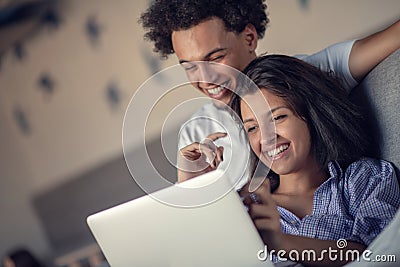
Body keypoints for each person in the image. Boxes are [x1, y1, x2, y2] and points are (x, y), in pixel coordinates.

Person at [139, 0, 400, 188]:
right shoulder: (196, 131)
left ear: (250, 38)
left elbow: (391, 38)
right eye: (191, 67)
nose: (205, 79)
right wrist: (189, 188)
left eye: (216, 57)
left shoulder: (305, 77)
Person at [228, 54, 400, 266]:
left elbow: (378, 255)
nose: (265, 138)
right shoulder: (242, 209)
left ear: (312, 114)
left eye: (277, 117)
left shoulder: (364, 179)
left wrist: (281, 242)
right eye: (252, 128)